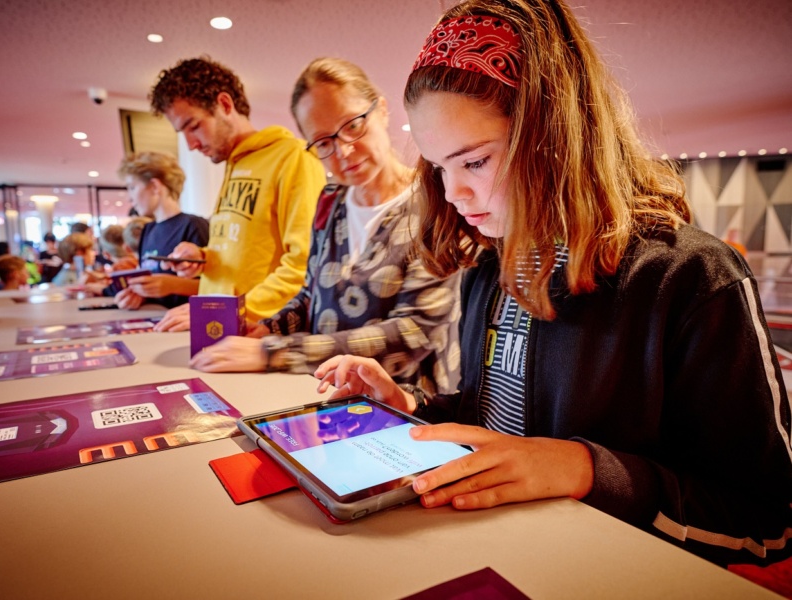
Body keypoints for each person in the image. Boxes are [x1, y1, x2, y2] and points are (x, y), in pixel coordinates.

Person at [314, 0, 792, 567]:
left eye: (474, 163)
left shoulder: (690, 279)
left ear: (557, 136)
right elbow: (491, 421)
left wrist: (584, 469)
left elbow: (766, 523)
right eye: (440, 168)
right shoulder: (488, 270)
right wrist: (410, 405)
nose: (451, 194)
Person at [191, 57, 462, 397]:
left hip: (403, 408)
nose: (344, 151)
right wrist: (266, 329)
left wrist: (274, 352)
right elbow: (310, 296)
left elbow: (413, 333)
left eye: (352, 125)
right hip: (321, 392)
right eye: (323, 143)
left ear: (381, 110)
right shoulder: (330, 201)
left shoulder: (437, 203)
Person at [147, 56, 327, 330]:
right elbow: (245, 249)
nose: (191, 144)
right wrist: (203, 256)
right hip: (218, 328)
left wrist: (231, 313)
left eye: (194, 126)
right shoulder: (234, 164)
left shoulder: (294, 157)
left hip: (258, 331)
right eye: (182, 132)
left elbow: (303, 265)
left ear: (225, 104)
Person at [113, 152, 209, 309]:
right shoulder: (147, 230)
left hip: (184, 324)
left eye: (132, 187)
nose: (129, 198)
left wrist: (173, 285)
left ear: (155, 186)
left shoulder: (193, 225)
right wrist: (139, 294)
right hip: (154, 320)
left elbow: (213, 286)